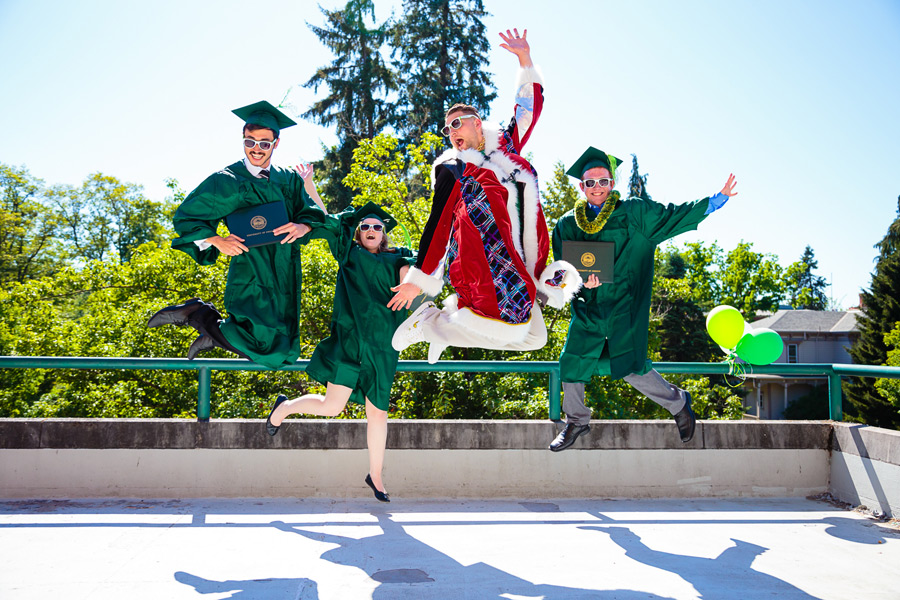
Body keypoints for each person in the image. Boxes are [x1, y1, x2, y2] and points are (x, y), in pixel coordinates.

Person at [389, 28, 579, 364]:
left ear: (478, 124)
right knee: (514, 324)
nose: (452, 132)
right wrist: (420, 279)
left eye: (458, 123)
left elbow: (527, 111)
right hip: (486, 262)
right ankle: (435, 325)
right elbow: (439, 223)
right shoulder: (453, 168)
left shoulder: (505, 148)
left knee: (535, 338)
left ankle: (437, 326)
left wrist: (525, 60)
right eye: (447, 129)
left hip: (523, 261)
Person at [549, 146, 738, 451]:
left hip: (625, 305)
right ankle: (576, 420)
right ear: (580, 186)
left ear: (613, 183)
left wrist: (716, 200)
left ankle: (678, 404)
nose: (597, 188)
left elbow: (673, 217)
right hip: (589, 308)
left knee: (630, 365)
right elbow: (563, 270)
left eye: (603, 182)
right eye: (590, 183)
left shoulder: (634, 213)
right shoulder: (566, 225)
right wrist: (579, 282)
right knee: (572, 360)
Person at [147, 101, 326, 369]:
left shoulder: (288, 179)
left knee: (285, 349)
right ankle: (199, 315)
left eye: (264, 143)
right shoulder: (227, 180)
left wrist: (304, 227)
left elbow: (312, 213)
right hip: (251, 267)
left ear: (276, 144)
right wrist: (216, 240)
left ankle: (213, 333)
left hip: (285, 267)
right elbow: (187, 217)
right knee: (268, 346)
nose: (256, 148)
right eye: (249, 141)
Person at [265, 202, 416, 503]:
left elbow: (410, 271)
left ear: (384, 233)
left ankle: (376, 476)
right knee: (332, 407)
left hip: (383, 345)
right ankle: (284, 408)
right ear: (358, 232)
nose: (371, 230)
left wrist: (408, 283)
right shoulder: (349, 253)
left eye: (377, 227)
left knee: (378, 413)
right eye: (365, 226)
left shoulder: (398, 257)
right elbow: (329, 220)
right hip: (350, 341)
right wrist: (309, 187)